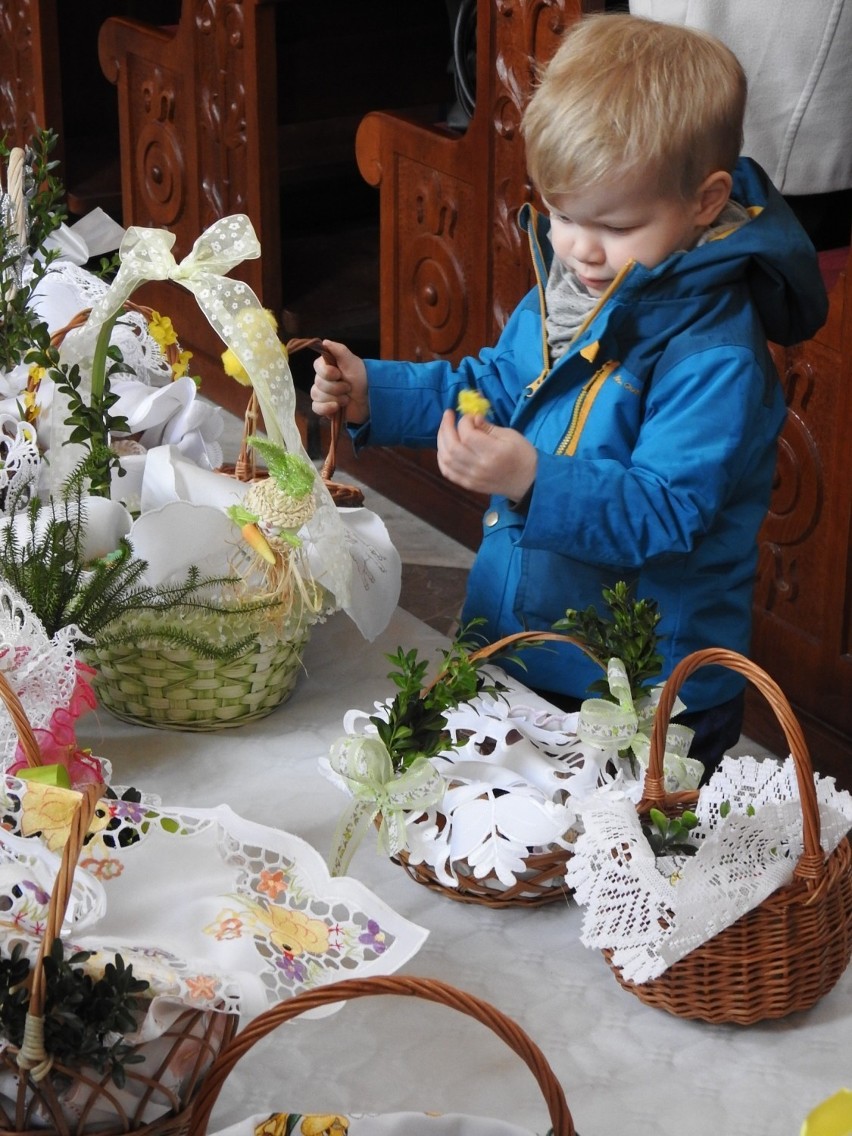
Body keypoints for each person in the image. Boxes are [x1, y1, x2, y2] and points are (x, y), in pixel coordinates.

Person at [310, 13, 828, 776]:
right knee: (507, 843)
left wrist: (530, 478)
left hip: (648, 688)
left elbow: (666, 509)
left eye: (612, 225)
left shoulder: (714, 354)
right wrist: (371, 392)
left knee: (628, 873)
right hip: (525, 638)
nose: (578, 247)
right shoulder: (576, 287)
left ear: (706, 201)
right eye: (562, 212)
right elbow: (490, 386)